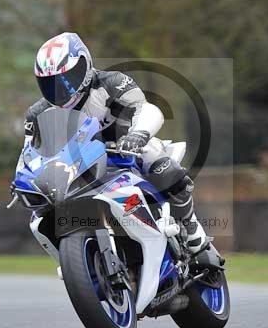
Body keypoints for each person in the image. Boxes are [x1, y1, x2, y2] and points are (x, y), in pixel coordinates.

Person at [22, 32, 209, 255]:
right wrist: (25, 179)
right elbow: (29, 152)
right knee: (44, 212)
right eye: (50, 84)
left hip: (127, 151)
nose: (62, 90)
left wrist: (138, 134)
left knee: (162, 165)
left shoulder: (112, 82)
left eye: (67, 79)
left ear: (85, 63)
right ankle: (79, 257)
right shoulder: (37, 113)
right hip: (79, 167)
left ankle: (190, 226)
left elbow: (145, 108)